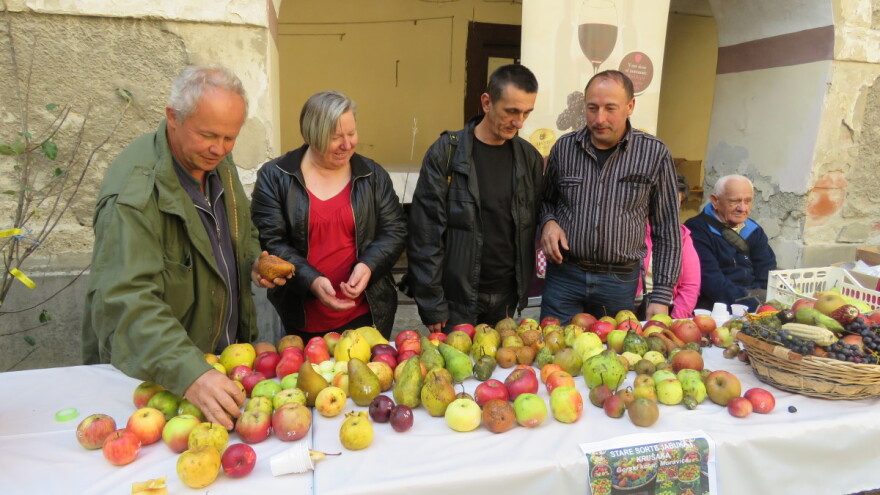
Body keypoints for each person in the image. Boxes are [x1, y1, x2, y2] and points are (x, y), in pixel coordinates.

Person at [82, 65, 287, 430]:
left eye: (230, 138)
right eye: (209, 135)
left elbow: (239, 231)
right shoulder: (135, 193)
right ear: (172, 117)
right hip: (159, 378)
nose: (220, 149)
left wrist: (253, 261)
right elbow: (127, 300)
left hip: (215, 369)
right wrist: (192, 373)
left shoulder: (215, 162)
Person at [251, 91, 406, 341]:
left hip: (365, 313)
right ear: (313, 136)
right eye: (336, 138)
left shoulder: (372, 175)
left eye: (352, 133)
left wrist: (368, 266)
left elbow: (394, 230)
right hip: (301, 314)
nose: (347, 144)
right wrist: (311, 280)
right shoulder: (275, 176)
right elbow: (272, 241)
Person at [406, 64, 543, 333]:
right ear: (487, 102)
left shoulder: (529, 158)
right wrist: (432, 302)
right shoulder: (446, 153)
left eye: (527, 112)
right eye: (512, 111)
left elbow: (537, 217)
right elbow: (425, 235)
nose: (520, 122)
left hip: (507, 297)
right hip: (456, 301)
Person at [540, 70, 681, 322]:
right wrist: (548, 221)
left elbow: (667, 228)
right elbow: (545, 200)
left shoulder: (655, 154)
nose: (599, 118)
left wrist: (661, 295)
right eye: (592, 108)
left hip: (618, 281)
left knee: (611, 358)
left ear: (630, 106)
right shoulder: (564, 148)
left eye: (610, 108)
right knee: (553, 353)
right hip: (564, 276)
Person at [684, 174, 776, 312]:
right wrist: (751, 303)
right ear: (715, 201)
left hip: (753, 301)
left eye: (748, 201)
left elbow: (766, 271)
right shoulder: (697, 229)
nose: (742, 208)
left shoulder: (753, 230)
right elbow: (711, 282)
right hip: (715, 306)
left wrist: (760, 301)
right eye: (734, 201)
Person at [636, 173, 701, 319]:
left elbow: (690, 286)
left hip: (665, 311)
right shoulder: (632, 230)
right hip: (627, 311)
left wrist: (675, 321)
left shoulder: (682, 236)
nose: (667, 210)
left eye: (674, 204)